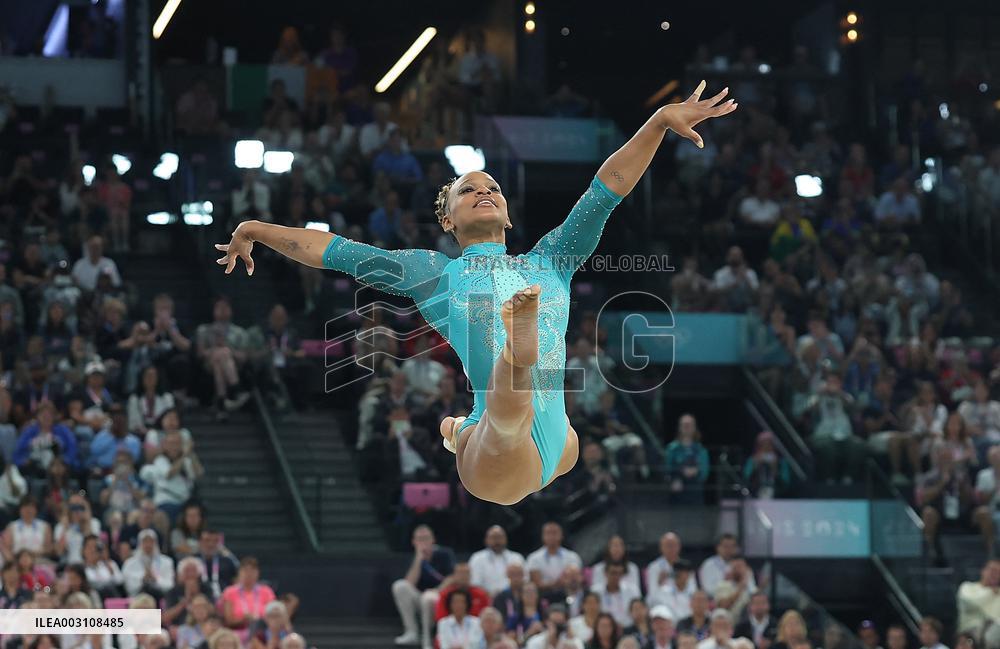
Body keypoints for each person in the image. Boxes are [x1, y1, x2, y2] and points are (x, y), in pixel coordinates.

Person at [216, 81, 737, 505]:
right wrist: (257, 229)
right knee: (510, 413)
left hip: (558, 443)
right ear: (448, 218)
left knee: (529, 419)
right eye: (469, 190)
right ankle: (505, 369)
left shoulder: (551, 260)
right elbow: (335, 250)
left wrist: (659, 122)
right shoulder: (434, 274)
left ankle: (461, 422)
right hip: (503, 454)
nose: (484, 191)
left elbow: (606, 189)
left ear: (508, 214)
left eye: (493, 188)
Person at [391, 525, 456, 648]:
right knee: (399, 586)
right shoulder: (414, 558)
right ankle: (412, 632)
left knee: (428, 598)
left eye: (426, 538)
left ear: (433, 540)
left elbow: (452, 577)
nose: (423, 542)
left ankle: (427, 640)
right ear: (413, 542)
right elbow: (409, 583)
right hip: (419, 600)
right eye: (419, 539)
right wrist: (418, 559)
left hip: (438, 597)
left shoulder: (445, 553)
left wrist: (437, 590)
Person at [526, 522, 583, 598]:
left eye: (554, 533)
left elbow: (575, 578)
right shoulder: (533, 558)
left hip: (568, 594)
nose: (551, 536)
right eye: (548, 533)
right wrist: (557, 583)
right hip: (543, 597)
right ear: (543, 536)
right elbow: (536, 584)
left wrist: (552, 584)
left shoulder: (572, 556)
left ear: (561, 535)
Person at [469, 525, 525, 597]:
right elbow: (474, 583)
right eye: (493, 537)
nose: (497, 541)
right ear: (486, 540)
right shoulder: (477, 558)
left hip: (513, 598)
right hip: (486, 599)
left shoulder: (517, 557)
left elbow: (525, 581)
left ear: (506, 539)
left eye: (500, 537)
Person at [122, 529, 175, 598]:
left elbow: (170, 585)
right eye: (145, 541)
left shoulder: (167, 561)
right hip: (137, 599)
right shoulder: (129, 563)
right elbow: (128, 586)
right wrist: (143, 578)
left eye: (151, 541)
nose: (148, 545)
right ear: (140, 543)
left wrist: (155, 579)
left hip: (159, 597)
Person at [594, 562, 642, 628]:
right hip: (604, 629)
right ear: (605, 573)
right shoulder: (596, 591)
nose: (616, 576)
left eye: (620, 574)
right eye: (613, 573)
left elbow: (638, 612)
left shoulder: (632, 590)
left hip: (628, 628)